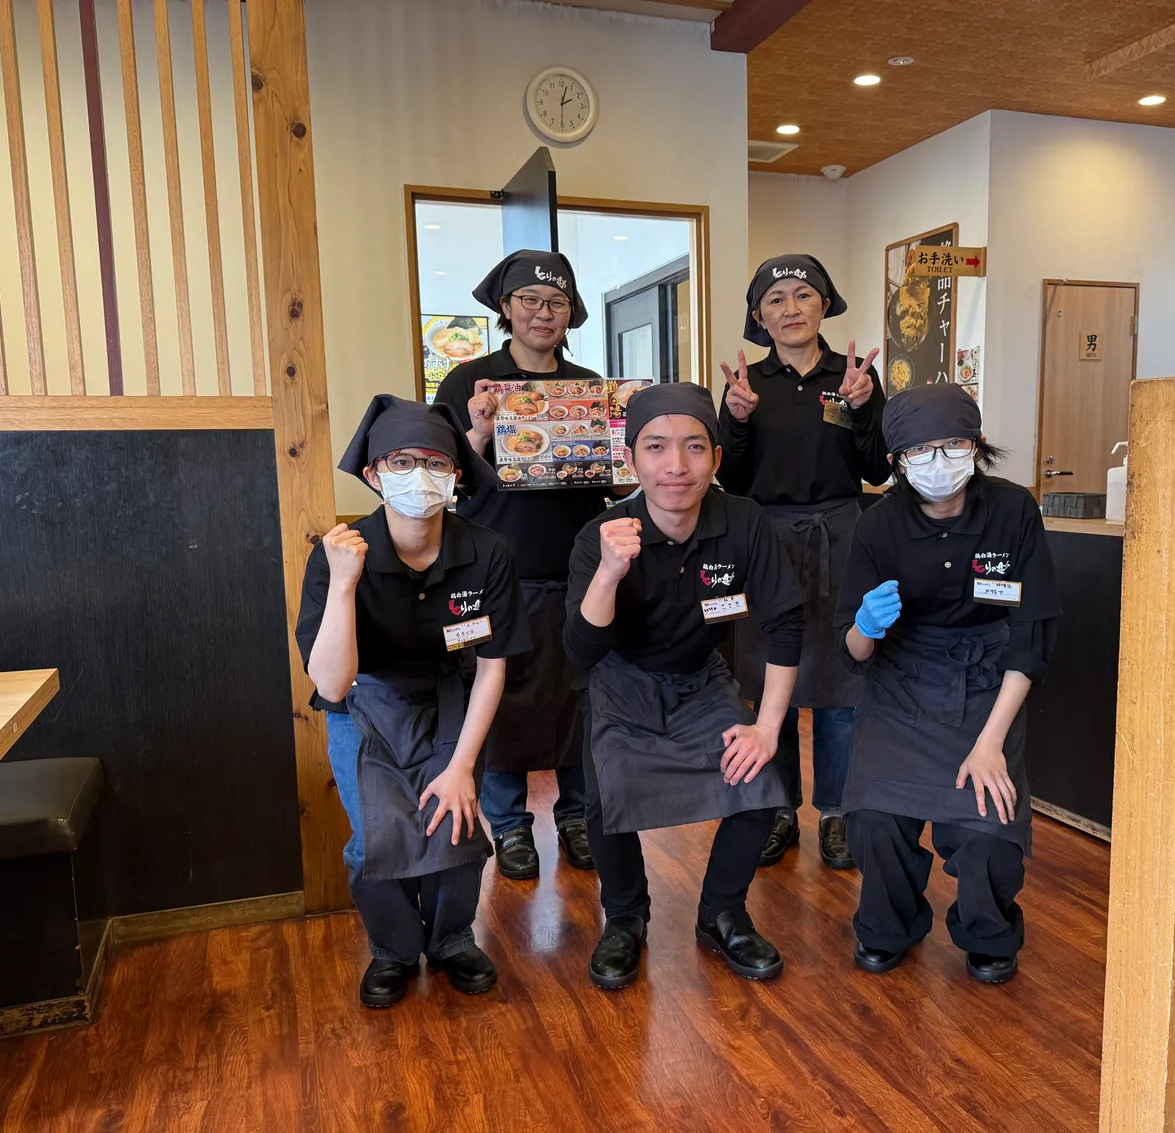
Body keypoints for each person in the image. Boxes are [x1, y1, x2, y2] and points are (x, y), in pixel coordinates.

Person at [563, 382, 805, 989]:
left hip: (700, 678)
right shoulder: (602, 534)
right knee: (604, 797)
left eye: (695, 447)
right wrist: (610, 575)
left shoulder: (744, 521)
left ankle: (722, 912)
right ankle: (624, 919)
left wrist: (768, 725)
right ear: (630, 458)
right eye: (656, 447)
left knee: (761, 783)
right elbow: (581, 650)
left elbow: (785, 622)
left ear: (716, 459)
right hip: (620, 680)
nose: (676, 466)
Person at [296, 395, 531, 1007]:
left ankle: (452, 938)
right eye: (401, 462)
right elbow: (331, 686)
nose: (418, 475)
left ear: (456, 473)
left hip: (455, 696)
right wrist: (345, 585)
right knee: (374, 837)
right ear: (374, 474)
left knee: (456, 821)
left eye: (434, 462)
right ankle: (394, 949)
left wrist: (460, 767)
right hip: (365, 704)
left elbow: (492, 665)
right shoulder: (341, 553)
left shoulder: (488, 552)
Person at [835, 383, 1059, 984]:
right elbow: (852, 649)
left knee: (988, 824)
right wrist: (865, 627)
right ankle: (889, 925)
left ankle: (988, 932)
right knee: (875, 820)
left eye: (953, 445)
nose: (939, 463)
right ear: (895, 462)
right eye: (920, 451)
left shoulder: (1013, 511)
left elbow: (1031, 632)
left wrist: (991, 744)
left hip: (990, 683)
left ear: (977, 445)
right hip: (899, 680)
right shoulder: (877, 526)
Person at [435, 250, 603, 881]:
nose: (542, 312)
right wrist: (477, 435)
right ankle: (508, 827)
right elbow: (445, 479)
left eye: (556, 301)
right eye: (529, 299)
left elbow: (611, 482)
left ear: (570, 313)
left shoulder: (589, 386)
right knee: (499, 695)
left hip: (579, 569)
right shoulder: (470, 384)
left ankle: (578, 816)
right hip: (495, 567)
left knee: (578, 697)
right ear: (505, 309)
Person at [717, 254, 888, 873]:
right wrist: (734, 421)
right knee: (772, 678)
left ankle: (837, 812)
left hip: (844, 537)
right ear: (759, 316)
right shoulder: (746, 383)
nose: (790, 308)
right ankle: (780, 809)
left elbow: (877, 470)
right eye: (775, 300)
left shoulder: (855, 377)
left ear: (824, 304)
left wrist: (866, 408)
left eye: (802, 295)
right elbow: (731, 480)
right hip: (768, 539)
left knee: (844, 679)